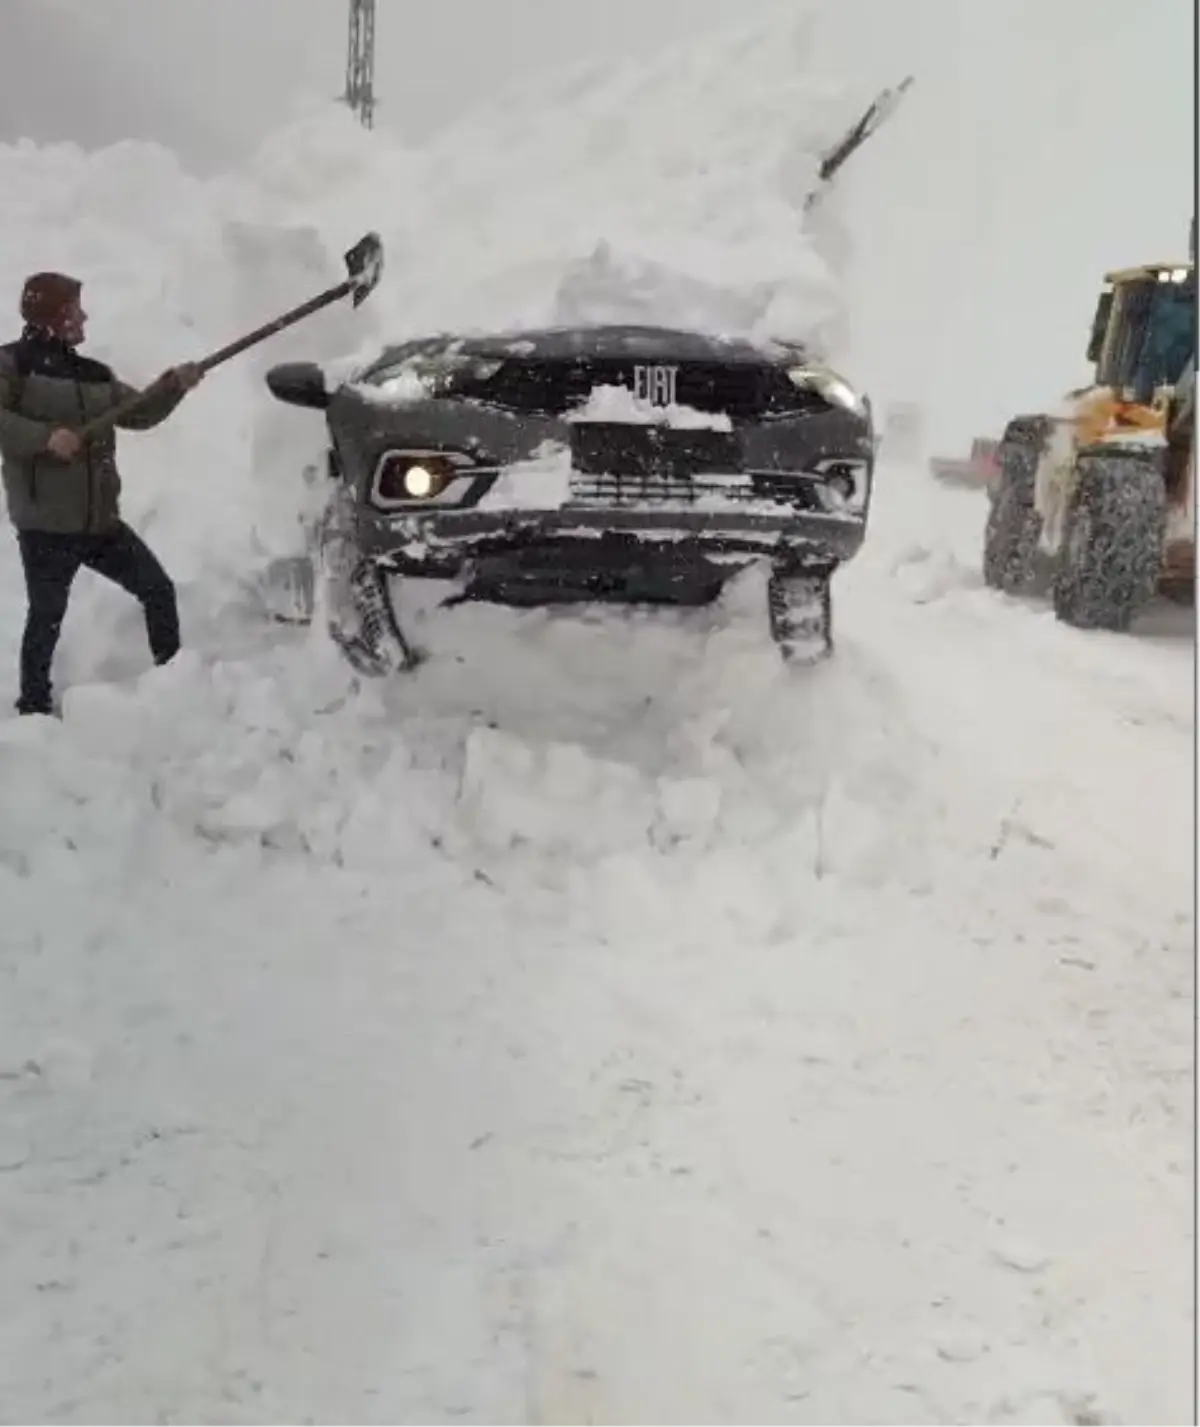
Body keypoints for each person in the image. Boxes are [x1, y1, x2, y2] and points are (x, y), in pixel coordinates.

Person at [0, 272, 203, 715]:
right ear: (53, 316)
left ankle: (171, 682)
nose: (84, 315)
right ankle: (33, 707)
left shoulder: (92, 375)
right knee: (46, 617)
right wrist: (45, 437)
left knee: (157, 589)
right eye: (75, 308)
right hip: (46, 523)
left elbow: (140, 413)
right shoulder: (13, 364)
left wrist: (173, 386)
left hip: (98, 522)